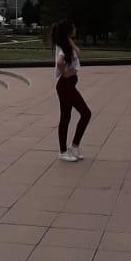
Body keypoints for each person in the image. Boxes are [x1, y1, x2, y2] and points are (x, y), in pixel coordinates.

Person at [51, 19, 91, 162]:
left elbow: (79, 53)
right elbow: (59, 62)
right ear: (69, 31)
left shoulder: (67, 44)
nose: (75, 29)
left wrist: (70, 40)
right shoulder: (63, 47)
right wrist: (66, 73)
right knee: (77, 115)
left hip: (68, 86)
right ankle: (63, 151)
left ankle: (73, 146)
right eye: (73, 28)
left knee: (82, 114)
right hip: (65, 86)